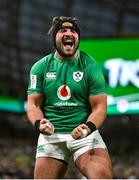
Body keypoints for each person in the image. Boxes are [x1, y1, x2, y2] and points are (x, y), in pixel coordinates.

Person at [27, 16, 112, 179]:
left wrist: (87, 127)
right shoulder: (40, 67)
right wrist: (40, 123)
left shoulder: (91, 66)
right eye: (63, 30)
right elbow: (33, 104)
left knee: (103, 177)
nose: (68, 33)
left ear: (78, 38)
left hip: (84, 134)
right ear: (55, 38)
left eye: (73, 31)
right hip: (51, 136)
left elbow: (100, 107)